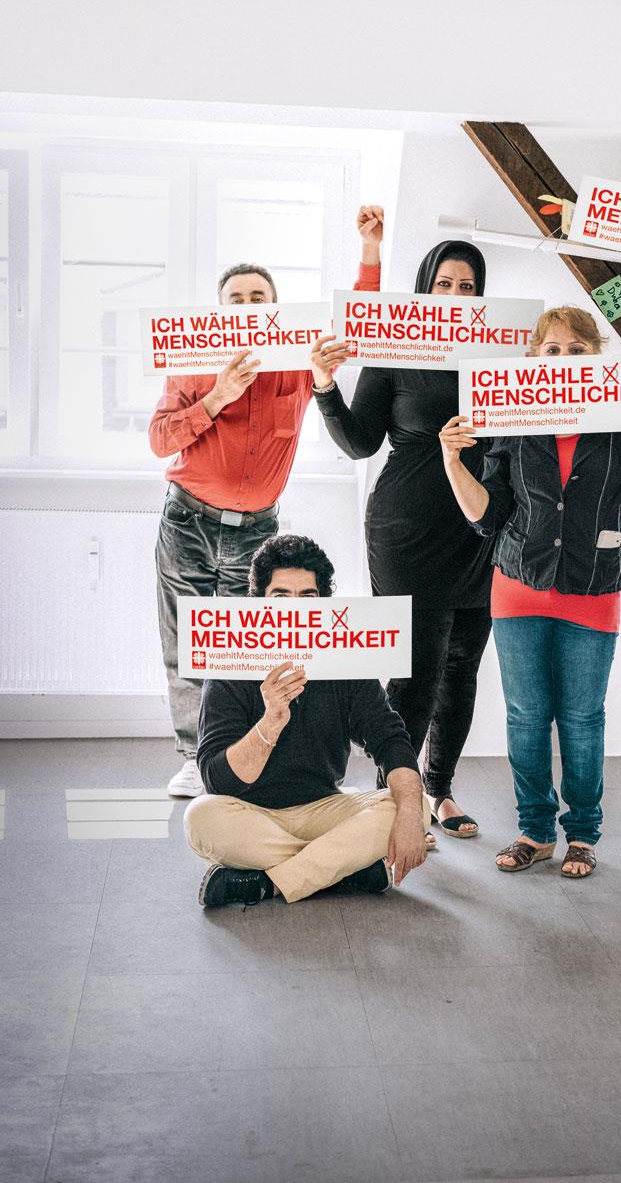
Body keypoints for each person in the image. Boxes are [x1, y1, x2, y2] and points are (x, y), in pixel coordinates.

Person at [438, 305, 621, 878]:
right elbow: (488, 516)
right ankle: (534, 830)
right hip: (517, 586)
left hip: (594, 586)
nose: (562, 360)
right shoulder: (511, 417)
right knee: (527, 715)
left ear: (597, 356)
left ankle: (582, 835)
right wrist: (452, 459)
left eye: (576, 350)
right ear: (533, 358)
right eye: (551, 350)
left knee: (582, 717)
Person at [150, 241, 368, 800]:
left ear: (274, 306)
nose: (247, 305)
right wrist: (217, 396)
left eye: (258, 297)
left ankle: (241, 751)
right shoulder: (192, 361)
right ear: (222, 310)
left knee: (244, 646)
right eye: (236, 298)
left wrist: (368, 250)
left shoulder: (297, 363)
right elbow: (159, 440)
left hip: (256, 531)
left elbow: (361, 318)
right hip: (188, 522)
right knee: (185, 643)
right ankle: (191, 757)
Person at [311, 214, 493, 845]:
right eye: (444, 284)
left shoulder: (501, 356)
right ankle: (396, 803)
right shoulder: (395, 350)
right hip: (407, 526)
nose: (455, 297)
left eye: (468, 287)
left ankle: (439, 791)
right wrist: (325, 385)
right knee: (416, 667)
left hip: (482, 524)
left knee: (464, 663)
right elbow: (360, 443)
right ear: (424, 288)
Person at [184, 533, 430, 907]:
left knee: (415, 806)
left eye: (307, 598)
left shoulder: (345, 661)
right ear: (259, 603)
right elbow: (217, 780)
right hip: (248, 812)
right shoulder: (230, 663)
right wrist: (270, 723)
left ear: (323, 606)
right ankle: (341, 869)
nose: (292, 610)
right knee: (200, 817)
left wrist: (411, 812)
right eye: (280, 597)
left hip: (322, 807)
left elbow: (389, 739)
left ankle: (268, 884)